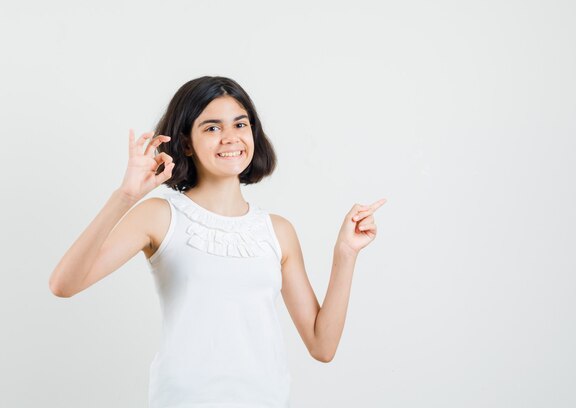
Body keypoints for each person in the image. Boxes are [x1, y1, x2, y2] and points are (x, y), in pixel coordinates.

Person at [49, 76, 386, 407]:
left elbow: (322, 346)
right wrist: (125, 197)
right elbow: (64, 284)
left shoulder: (277, 230)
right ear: (185, 143)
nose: (230, 138)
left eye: (240, 125)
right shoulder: (160, 215)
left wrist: (346, 254)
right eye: (212, 128)